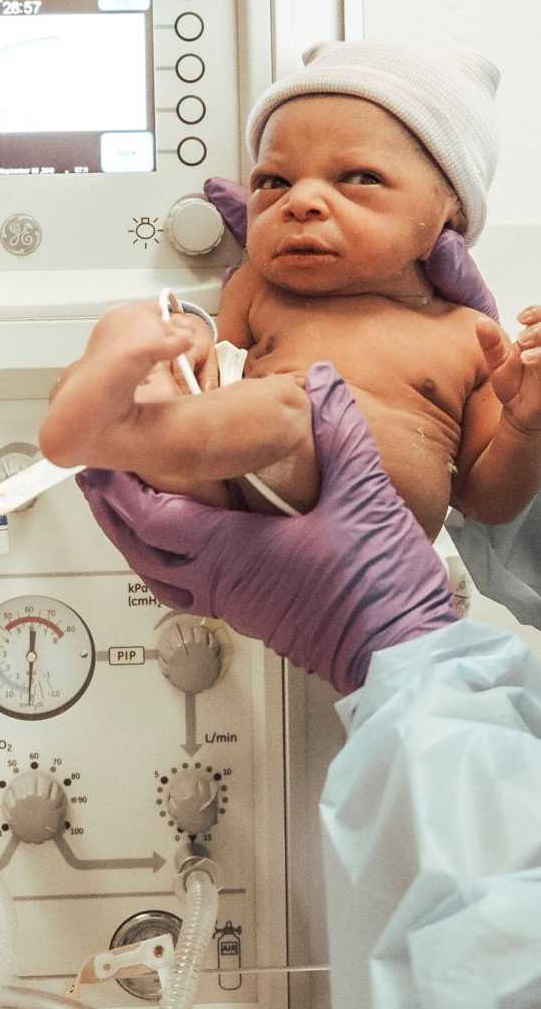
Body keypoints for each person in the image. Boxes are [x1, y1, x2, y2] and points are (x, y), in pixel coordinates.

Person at [40, 43, 541, 661]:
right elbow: (220, 370)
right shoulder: (258, 287)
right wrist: (188, 345)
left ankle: (117, 432)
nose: (300, 200)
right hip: (226, 480)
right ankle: (117, 412)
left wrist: (525, 422)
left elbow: (487, 499)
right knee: (164, 335)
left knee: (288, 408)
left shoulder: (470, 334)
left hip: (365, 528)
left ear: (449, 211)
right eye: (272, 181)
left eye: (359, 178)